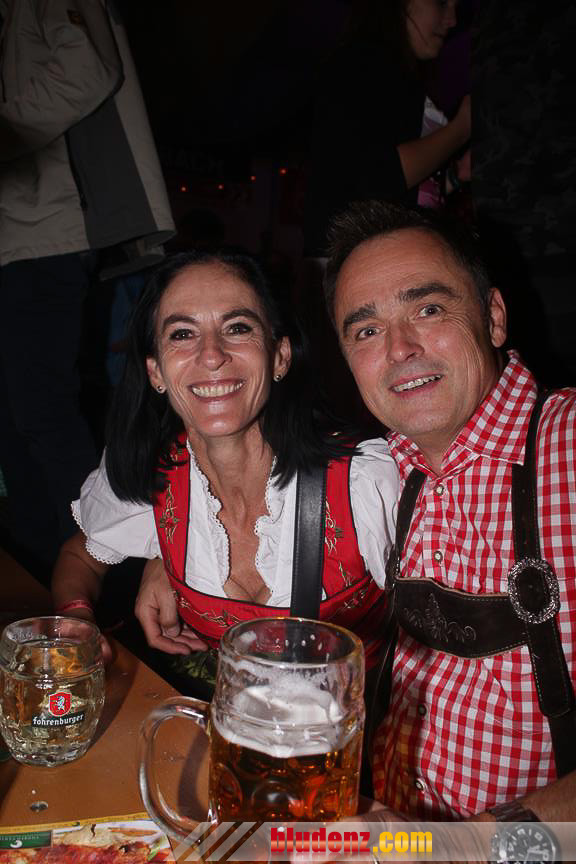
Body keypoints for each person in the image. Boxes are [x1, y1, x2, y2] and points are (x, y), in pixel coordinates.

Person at [322, 199, 576, 826]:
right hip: (385, 833)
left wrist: (488, 845)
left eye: (428, 309)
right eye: (366, 331)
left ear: (494, 316)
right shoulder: (382, 472)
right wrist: (158, 555)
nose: (400, 348)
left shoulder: (567, 448)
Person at [51, 248, 399, 687]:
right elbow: (79, 557)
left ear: (280, 356)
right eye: (182, 334)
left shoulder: (367, 480)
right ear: (156, 371)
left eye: (237, 328)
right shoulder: (152, 469)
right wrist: (78, 617)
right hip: (232, 716)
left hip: (359, 723)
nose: (211, 355)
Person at [0, 0, 174, 572]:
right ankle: (44, 569)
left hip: (41, 232)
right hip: (23, 231)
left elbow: (88, 66)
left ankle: (101, 566)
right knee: (19, 417)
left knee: (40, 409)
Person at [303, 0, 470, 257]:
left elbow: (392, 188)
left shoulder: (395, 71)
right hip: (359, 260)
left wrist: (455, 176)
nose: (452, 20)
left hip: (377, 256)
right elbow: (378, 175)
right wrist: (460, 130)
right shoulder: (362, 62)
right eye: (442, 3)